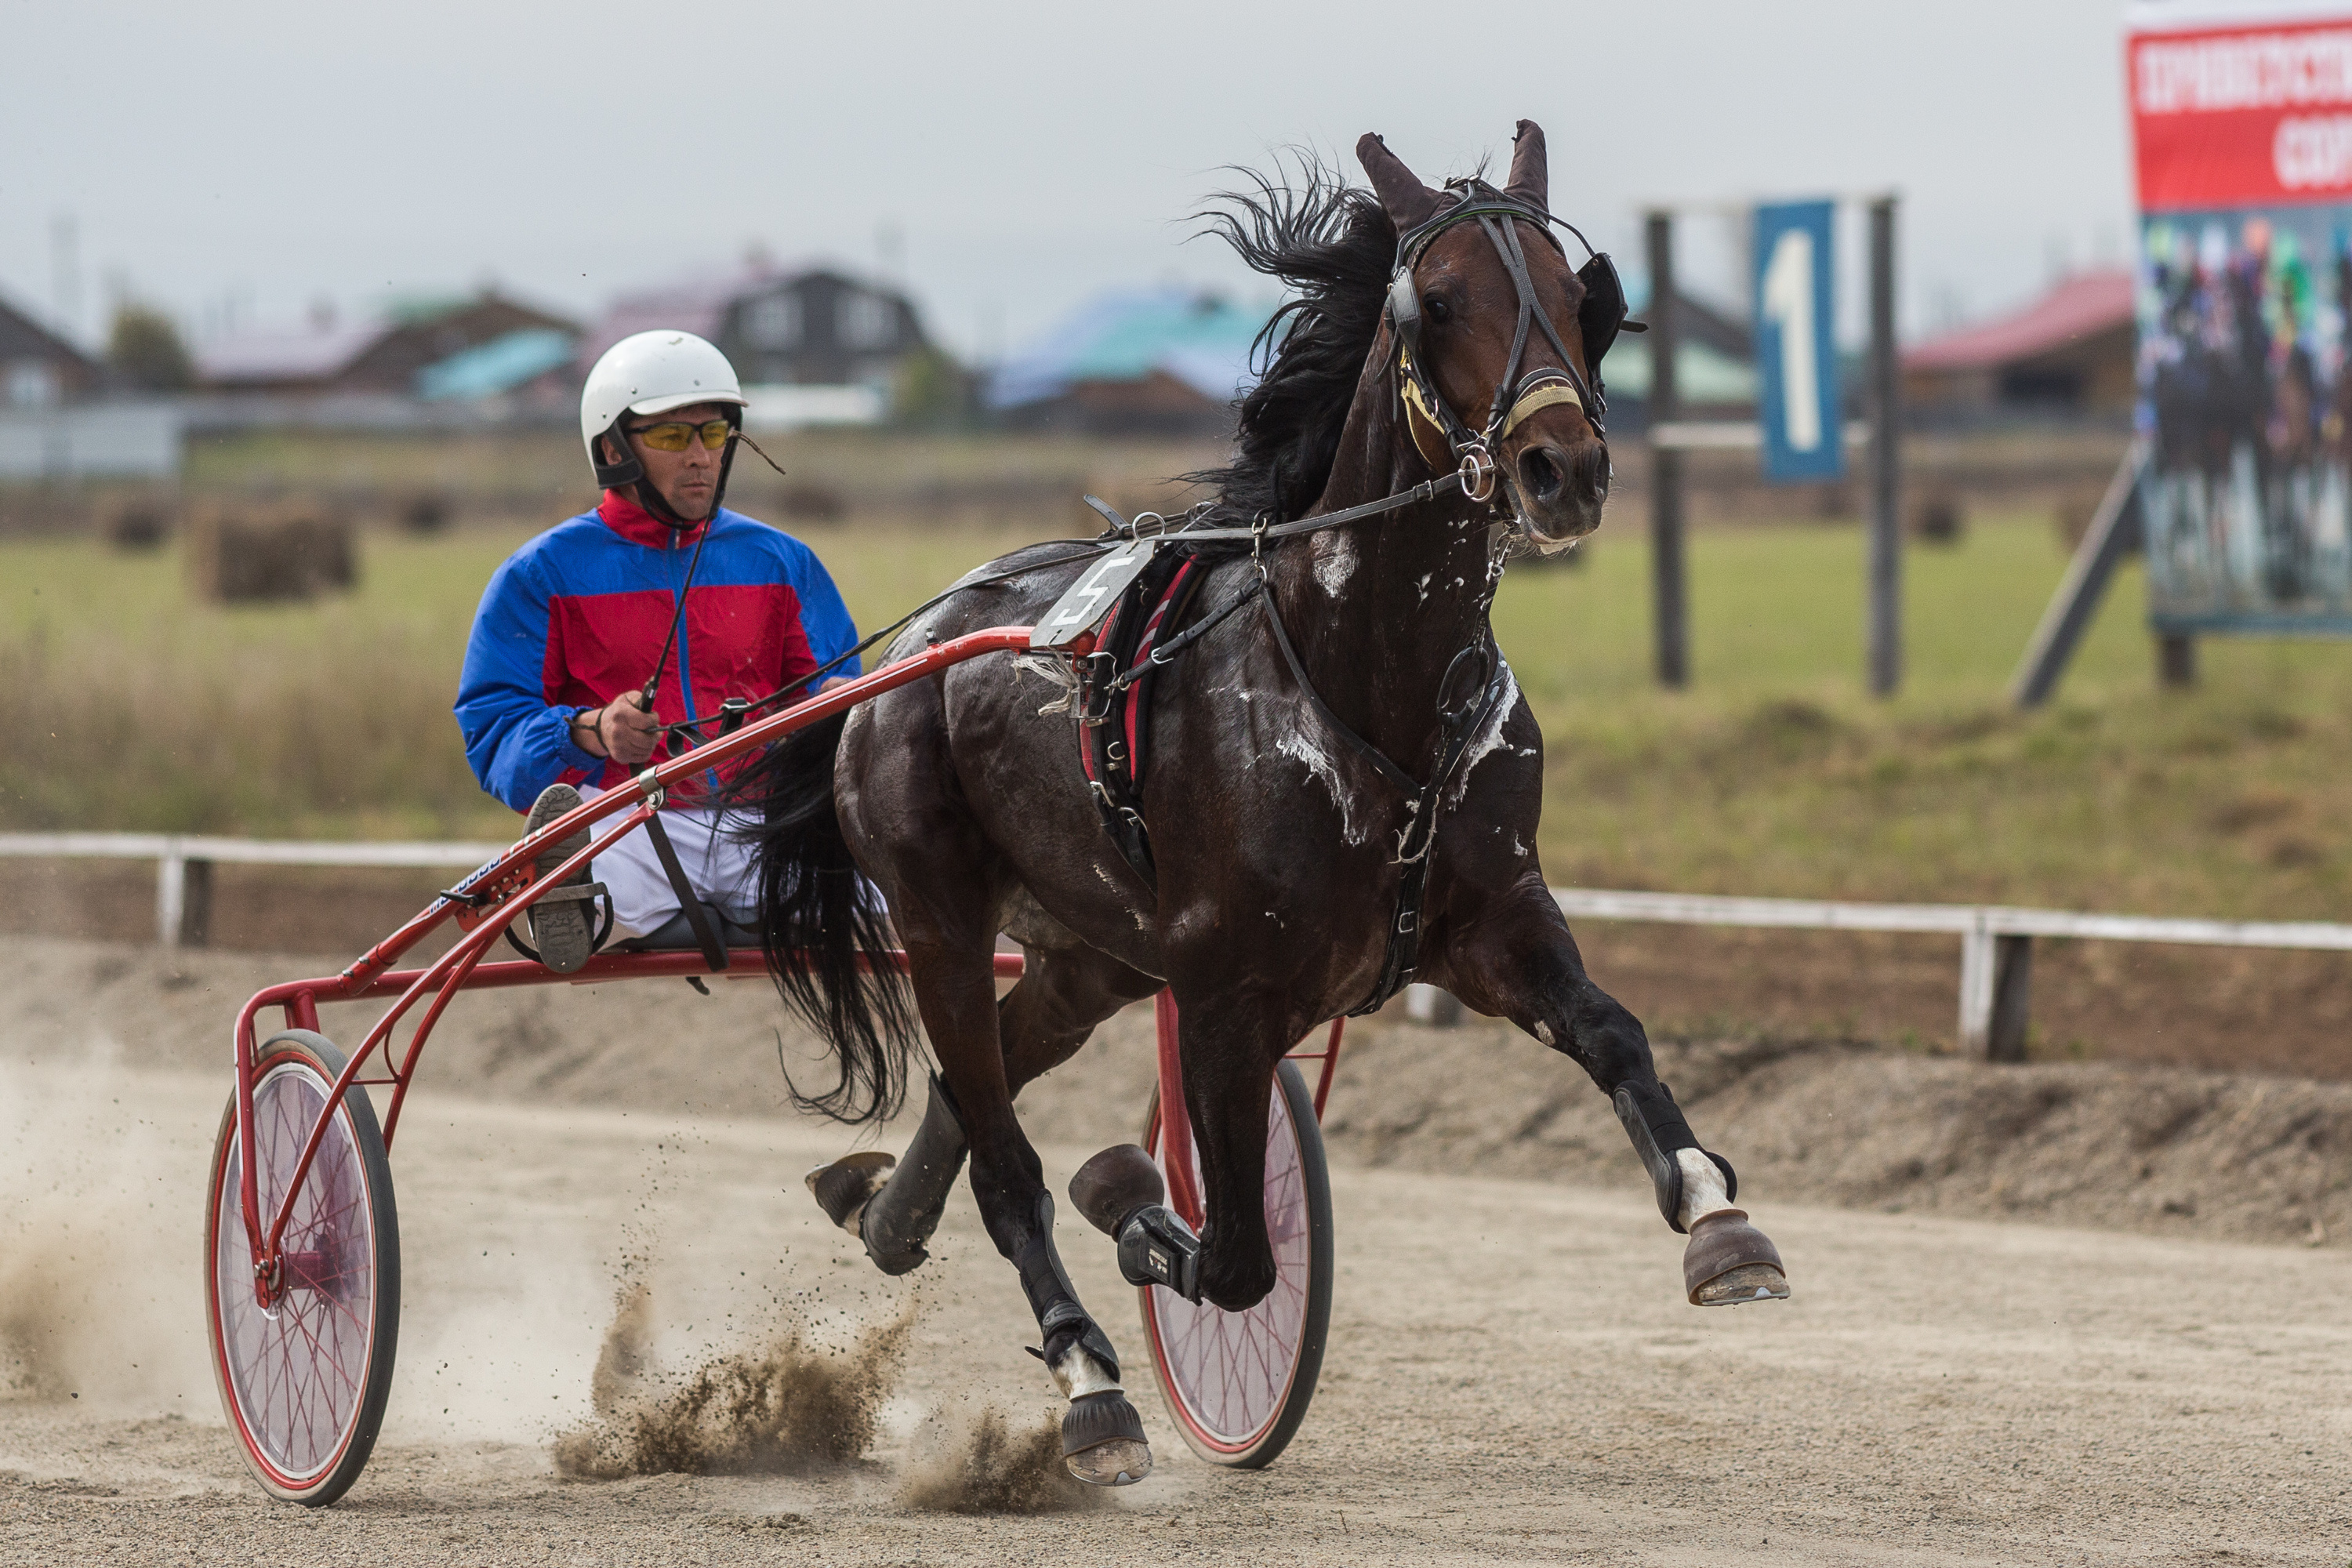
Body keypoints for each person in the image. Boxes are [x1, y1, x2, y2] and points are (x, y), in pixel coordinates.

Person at [455, 330, 859, 971]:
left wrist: (840, 710)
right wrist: (588, 732)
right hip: (629, 822)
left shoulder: (783, 563)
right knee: (590, 831)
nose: (701, 457)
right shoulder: (541, 574)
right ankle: (571, 899)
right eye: (673, 437)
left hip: (763, 827)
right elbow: (492, 729)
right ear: (614, 447)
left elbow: (824, 688)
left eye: (716, 435)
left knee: (884, 858)